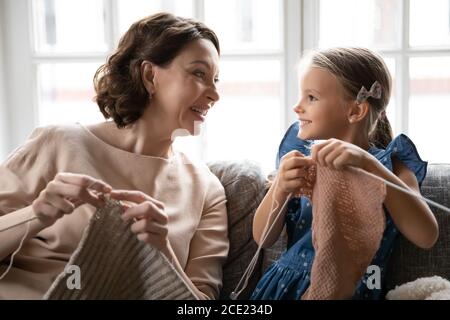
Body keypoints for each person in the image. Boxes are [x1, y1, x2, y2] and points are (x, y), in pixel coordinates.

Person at [0, 12, 228, 300]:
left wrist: (163, 255)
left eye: (216, 79)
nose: (215, 94)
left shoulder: (207, 190)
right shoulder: (57, 143)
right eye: (199, 73)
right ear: (149, 75)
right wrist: (35, 215)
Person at [250, 47, 439, 300]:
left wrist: (369, 165)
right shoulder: (300, 161)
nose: (297, 107)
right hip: (285, 289)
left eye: (311, 97)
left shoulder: (390, 164)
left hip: (356, 289)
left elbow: (426, 235)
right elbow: (262, 237)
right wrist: (279, 189)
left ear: (355, 111)